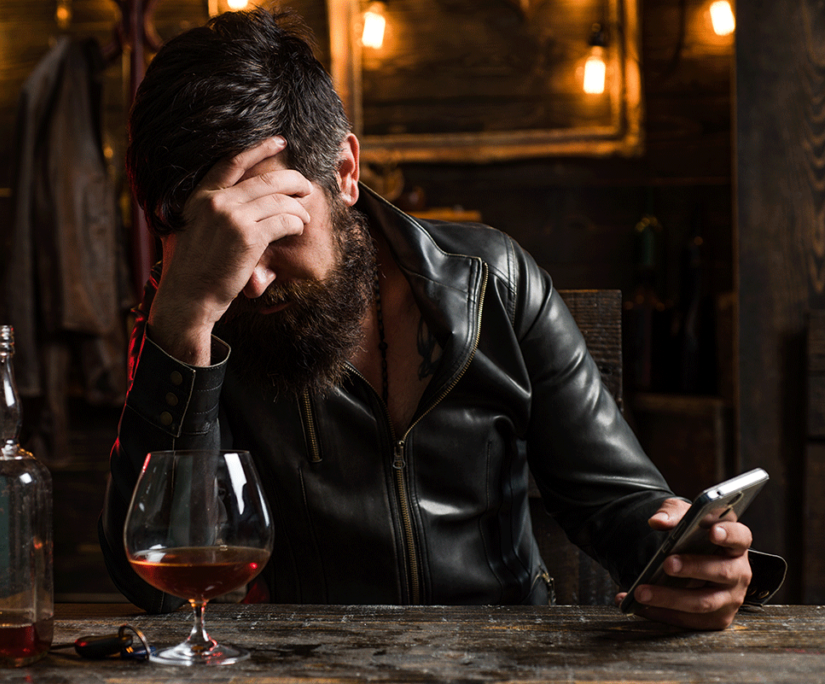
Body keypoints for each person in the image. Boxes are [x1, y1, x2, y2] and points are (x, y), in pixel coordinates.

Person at [99, 8, 784, 630]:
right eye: (218, 238)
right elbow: (160, 589)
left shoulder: (494, 281)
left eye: (276, 226)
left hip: (506, 662)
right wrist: (185, 325)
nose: (251, 279)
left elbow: (616, 502)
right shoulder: (191, 319)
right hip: (312, 668)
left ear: (343, 171)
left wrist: (688, 562)